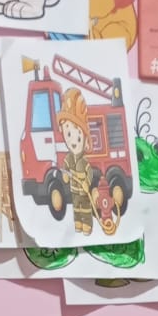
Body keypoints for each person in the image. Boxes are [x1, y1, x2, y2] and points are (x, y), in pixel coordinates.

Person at [56, 90, 95, 236]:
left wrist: (87, 183)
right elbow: (65, 168)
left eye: (78, 137)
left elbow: (89, 172)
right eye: (68, 134)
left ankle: (87, 225)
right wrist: (65, 176)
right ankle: (78, 224)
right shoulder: (69, 159)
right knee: (76, 209)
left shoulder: (84, 161)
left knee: (85, 208)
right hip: (74, 191)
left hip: (83, 192)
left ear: (85, 139)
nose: (73, 141)